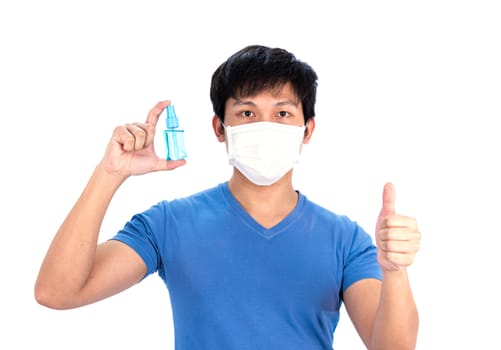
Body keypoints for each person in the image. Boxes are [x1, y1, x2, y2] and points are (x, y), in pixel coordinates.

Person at [35, 45, 421, 349]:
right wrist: (110, 173)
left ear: (307, 130)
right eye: (247, 113)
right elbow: (57, 291)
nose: (266, 125)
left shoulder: (345, 240)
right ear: (220, 127)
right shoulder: (169, 225)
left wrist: (395, 272)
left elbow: (393, 347)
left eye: (283, 113)